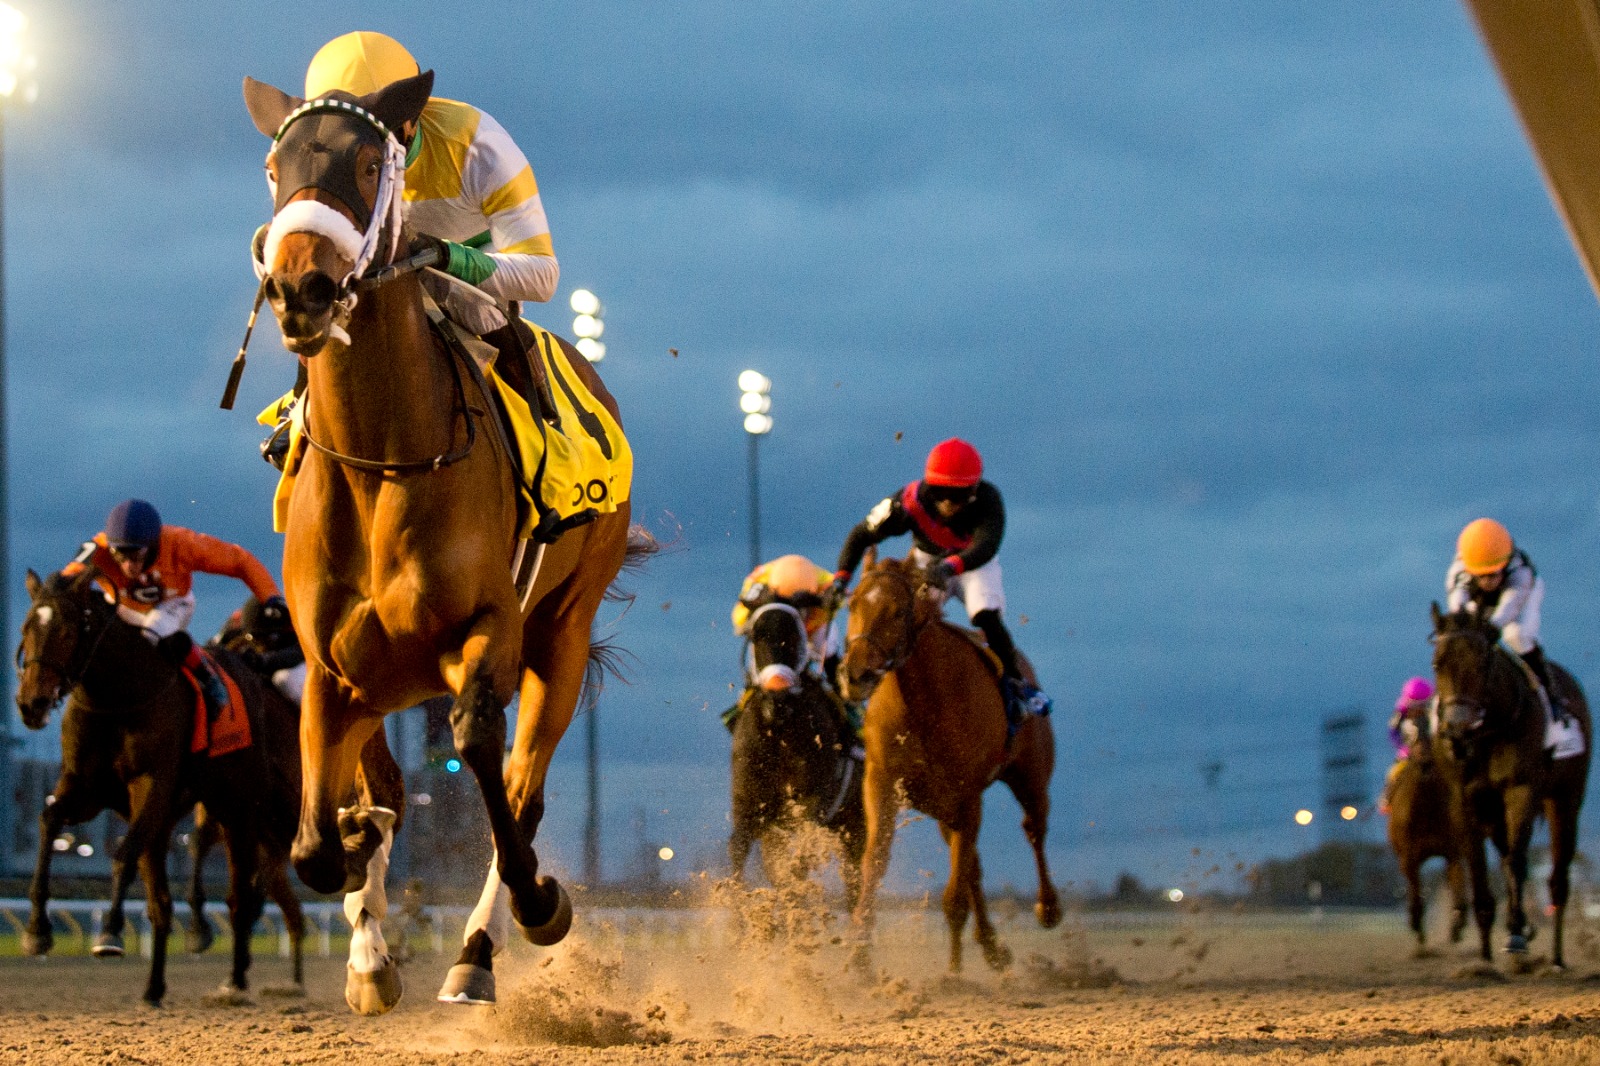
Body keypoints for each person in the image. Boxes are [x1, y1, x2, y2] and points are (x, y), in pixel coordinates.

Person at [263, 30, 560, 463]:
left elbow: (542, 276)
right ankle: (298, 409)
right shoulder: (305, 150)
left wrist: (445, 255)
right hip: (368, 283)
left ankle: (541, 451)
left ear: (412, 118)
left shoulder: (480, 148)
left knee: (481, 311)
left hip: (468, 286)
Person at [831, 438, 1050, 723]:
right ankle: (872, 680)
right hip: (927, 560)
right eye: (940, 492)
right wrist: (841, 578)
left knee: (986, 614)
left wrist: (949, 568)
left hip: (973, 563)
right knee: (907, 618)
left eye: (956, 495)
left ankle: (1017, 683)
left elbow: (987, 545)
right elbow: (861, 534)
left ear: (973, 490)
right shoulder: (907, 501)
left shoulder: (989, 500)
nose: (947, 502)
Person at [66, 499, 283, 720]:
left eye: (135, 555)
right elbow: (67, 578)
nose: (128, 564)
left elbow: (239, 560)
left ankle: (207, 677)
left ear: (153, 544)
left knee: (154, 630)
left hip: (173, 602)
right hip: (124, 607)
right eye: (120, 554)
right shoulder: (97, 547)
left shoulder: (180, 543)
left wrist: (270, 596)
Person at [1446, 517, 1568, 719]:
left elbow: (1508, 608)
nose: (1488, 581)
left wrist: (1492, 627)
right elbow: (1458, 609)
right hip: (1481, 602)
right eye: (1481, 576)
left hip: (1520, 599)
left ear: (1505, 565)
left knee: (1517, 635)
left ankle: (1550, 694)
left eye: (1494, 574)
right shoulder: (1458, 572)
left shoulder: (1521, 573)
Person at [726, 553, 857, 734]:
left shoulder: (825, 581)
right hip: (774, 617)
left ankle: (845, 700)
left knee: (827, 649)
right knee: (763, 642)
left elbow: (840, 599)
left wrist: (817, 601)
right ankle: (747, 695)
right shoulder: (758, 580)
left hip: (813, 621)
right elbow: (741, 621)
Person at [1379, 676, 1433, 815]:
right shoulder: (1400, 714)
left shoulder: (1432, 714)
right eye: (1415, 704)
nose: (1418, 708)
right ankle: (1386, 798)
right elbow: (1393, 732)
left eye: (1422, 704)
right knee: (1394, 772)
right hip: (1408, 754)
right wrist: (1403, 748)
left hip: (1432, 753)